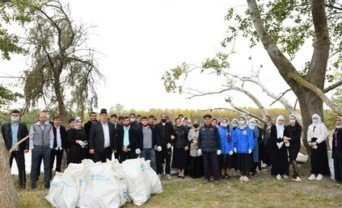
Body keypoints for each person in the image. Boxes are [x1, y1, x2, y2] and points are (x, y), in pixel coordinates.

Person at [1, 110, 29, 189]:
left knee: (21, 167)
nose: (15, 117)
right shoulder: (5, 126)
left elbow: (26, 138)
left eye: (16, 115)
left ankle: (22, 185)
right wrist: (4, 149)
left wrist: (26, 148)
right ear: (11, 116)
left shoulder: (23, 126)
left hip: (19, 150)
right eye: (13, 115)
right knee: (7, 168)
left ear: (19, 116)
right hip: (8, 151)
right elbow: (2, 138)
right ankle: (6, 187)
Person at [29, 111, 54, 189]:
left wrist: (51, 147)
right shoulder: (33, 126)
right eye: (41, 117)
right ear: (38, 118)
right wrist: (32, 147)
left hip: (47, 149)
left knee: (47, 167)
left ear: (46, 118)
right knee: (34, 167)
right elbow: (31, 138)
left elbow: (51, 137)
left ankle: (47, 184)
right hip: (36, 148)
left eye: (44, 117)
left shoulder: (49, 126)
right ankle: (33, 184)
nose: (43, 118)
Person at [198, 114, 221, 182]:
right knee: (206, 165)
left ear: (211, 119)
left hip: (213, 150)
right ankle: (207, 178)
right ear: (204, 120)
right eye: (205, 119)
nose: (207, 120)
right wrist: (199, 148)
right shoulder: (201, 128)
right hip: (205, 150)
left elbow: (218, 139)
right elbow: (200, 139)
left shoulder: (214, 128)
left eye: (208, 119)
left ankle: (216, 178)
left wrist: (219, 148)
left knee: (215, 165)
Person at [307, 114, 330, 180]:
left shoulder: (322, 125)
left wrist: (316, 142)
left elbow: (324, 134)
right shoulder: (310, 126)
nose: (315, 119)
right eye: (313, 118)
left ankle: (320, 173)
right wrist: (309, 141)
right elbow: (308, 134)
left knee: (321, 158)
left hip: (320, 143)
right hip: (312, 143)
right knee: (313, 158)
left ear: (319, 118)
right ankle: (313, 173)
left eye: (316, 118)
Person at [232, 116, 254, 182]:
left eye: (242, 119)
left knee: (246, 163)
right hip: (239, 150)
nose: (241, 121)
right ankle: (242, 174)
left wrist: (250, 147)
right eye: (240, 119)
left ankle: (246, 175)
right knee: (240, 163)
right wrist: (234, 147)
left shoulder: (248, 130)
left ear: (245, 121)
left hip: (246, 150)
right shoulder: (236, 130)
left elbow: (251, 139)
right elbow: (234, 139)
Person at [155, 113, 176, 180]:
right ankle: (159, 173)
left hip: (167, 146)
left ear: (166, 118)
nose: (163, 118)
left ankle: (167, 173)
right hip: (160, 147)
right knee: (159, 160)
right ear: (160, 117)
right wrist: (158, 145)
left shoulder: (169, 125)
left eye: (165, 117)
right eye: (162, 117)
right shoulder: (157, 126)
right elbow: (156, 136)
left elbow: (173, 135)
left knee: (168, 160)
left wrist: (170, 143)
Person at [284, 114, 302, 182]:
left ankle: (296, 174)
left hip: (296, 145)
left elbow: (297, 137)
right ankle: (295, 174)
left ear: (296, 119)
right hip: (289, 145)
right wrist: (285, 138)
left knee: (293, 158)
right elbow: (285, 134)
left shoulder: (299, 127)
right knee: (292, 158)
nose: (292, 120)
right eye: (291, 119)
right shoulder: (287, 127)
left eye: (293, 119)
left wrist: (289, 138)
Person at [270, 115, 289, 180]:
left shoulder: (285, 127)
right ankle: (277, 173)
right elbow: (272, 136)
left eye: (282, 120)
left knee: (283, 158)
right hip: (275, 145)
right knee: (276, 159)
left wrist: (283, 141)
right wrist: (277, 142)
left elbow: (286, 135)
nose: (280, 122)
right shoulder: (273, 127)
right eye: (279, 120)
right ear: (277, 120)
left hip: (283, 145)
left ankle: (284, 172)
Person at [332, 116, 342, 182]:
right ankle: (337, 178)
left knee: (341, 163)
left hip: (341, 149)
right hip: (335, 148)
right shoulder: (336, 129)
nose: (337, 121)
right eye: (336, 120)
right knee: (336, 163)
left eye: (339, 120)